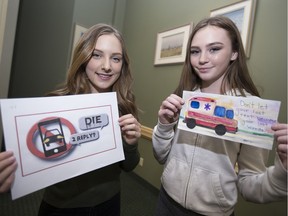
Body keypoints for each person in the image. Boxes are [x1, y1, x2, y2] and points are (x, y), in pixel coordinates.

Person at [0, 23, 141, 216]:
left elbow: (128, 165)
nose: (107, 66)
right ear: (83, 57)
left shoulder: (123, 106)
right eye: (97, 55)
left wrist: (131, 144)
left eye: (115, 58)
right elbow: (30, 157)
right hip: (62, 207)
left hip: (109, 203)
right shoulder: (55, 105)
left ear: (122, 64)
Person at [152, 16, 287, 216]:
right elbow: (161, 156)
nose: (202, 59)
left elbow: (250, 185)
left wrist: (283, 172)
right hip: (166, 201)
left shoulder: (250, 110)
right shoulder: (184, 97)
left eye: (214, 49)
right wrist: (164, 126)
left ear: (234, 53)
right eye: (195, 51)